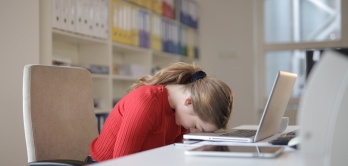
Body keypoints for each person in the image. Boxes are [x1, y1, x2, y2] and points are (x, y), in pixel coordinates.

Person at [88, 62, 234, 162]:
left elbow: (171, 158)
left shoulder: (180, 115)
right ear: (189, 102)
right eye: (197, 126)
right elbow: (122, 162)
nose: (193, 131)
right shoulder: (146, 102)